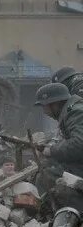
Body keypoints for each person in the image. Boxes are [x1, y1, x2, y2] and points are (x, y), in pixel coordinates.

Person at [33, 82, 83, 212]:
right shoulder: (73, 109)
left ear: (54, 104)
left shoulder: (75, 112)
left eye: (44, 107)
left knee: (45, 176)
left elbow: (79, 144)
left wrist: (51, 151)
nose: (44, 112)